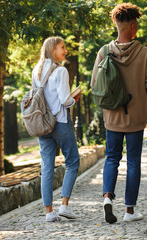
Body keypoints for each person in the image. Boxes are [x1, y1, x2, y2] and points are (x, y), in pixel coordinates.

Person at [91, 2, 147, 224]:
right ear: (131, 26)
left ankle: (108, 198)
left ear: (115, 24)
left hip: (112, 117)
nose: (137, 27)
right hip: (136, 117)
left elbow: (95, 84)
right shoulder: (144, 53)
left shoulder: (104, 52)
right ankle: (130, 211)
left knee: (112, 158)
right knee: (134, 162)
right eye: (136, 24)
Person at [33, 36, 81, 222]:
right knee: (72, 162)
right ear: (53, 49)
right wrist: (74, 99)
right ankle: (64, 206)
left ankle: (49, 212)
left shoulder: (35, 71)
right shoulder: (61, 71)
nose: (65, 51)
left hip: (42, 125)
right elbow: (64, 100)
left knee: (47, 168)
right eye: (62, 47)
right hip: (60, 122)